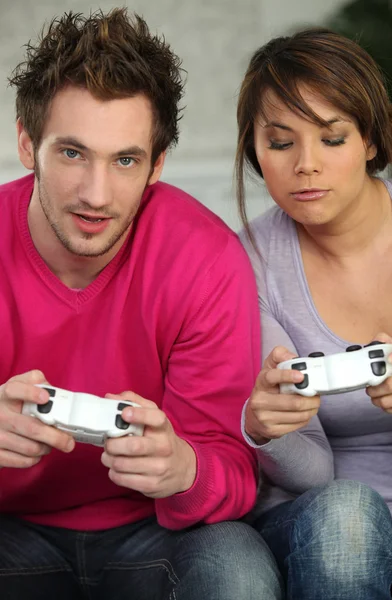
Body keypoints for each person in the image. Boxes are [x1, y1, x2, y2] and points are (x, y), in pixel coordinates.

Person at [0, 8, 284, 600]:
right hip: (10, 534)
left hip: (154, 534)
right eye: (72, 154)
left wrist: (184, 470)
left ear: (157, 165)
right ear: (28, 143)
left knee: (238, 571)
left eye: (125, 160)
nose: (96, 195)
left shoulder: (204, 259)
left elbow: (234, 472)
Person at [236, 27, 392, 600]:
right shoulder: (248, 263)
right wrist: (268, 430)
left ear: (371, 141)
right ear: (256, 153)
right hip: (322, 523)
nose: (306, 165)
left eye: (332, 138)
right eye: (281, 143)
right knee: (348, 518)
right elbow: (314, 477)